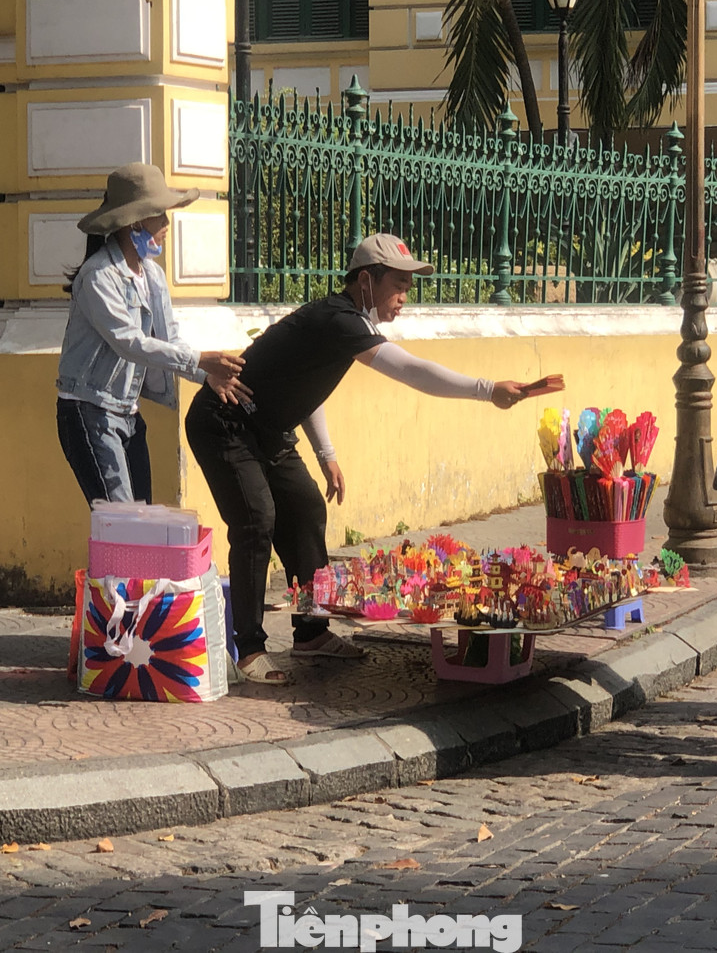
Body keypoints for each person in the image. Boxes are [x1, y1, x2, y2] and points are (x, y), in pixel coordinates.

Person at [185, 233, 533, 684]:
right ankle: (249, 650)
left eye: (410, 288)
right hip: (224, 422)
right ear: (366, 280)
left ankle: (311, 636)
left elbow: (307, 387)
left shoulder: (344, 324)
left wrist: (326, 453)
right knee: (257, 519)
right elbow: (410, 370)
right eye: (399, 286)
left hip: (266, 431)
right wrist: (486, 390)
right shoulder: (339, 319)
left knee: (307, 508)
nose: (404, 298)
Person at [56, 163, 249, 505]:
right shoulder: (98, 276)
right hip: (89, 411)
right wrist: (201, 359)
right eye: (159, 214)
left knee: (138, 521)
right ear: (135, 223)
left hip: (127, 414)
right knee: (121, 524)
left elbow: (169, 339)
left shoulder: (153, 276)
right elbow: (130, 342)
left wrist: (207, 375)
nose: (166, 224)